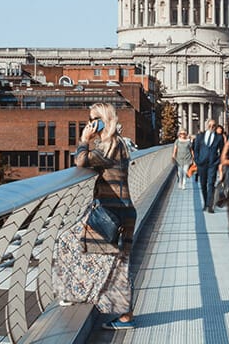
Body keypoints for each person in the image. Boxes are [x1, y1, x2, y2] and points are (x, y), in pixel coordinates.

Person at [57, 103, 136, 330]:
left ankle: (75, 293)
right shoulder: (118, 142)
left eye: (94, 119)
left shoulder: (109, 146)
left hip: (112, 211)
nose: (90, 123)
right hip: (124, 211)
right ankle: (125, 317)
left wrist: (84, 139)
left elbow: (81, 161)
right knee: (119, 263)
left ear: (103, 120)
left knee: (68, 240)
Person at [193, 119, 224, 213]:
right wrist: (197, 160)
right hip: (201, 164)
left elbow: (222, 151)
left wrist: (217, 161)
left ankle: (210, 205)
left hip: (212, 164)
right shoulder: (200, 137)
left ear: (215, 126)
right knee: (203, 184)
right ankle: (206, 202)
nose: (211, 127)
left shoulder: (219, 138)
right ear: (207, 126)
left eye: (213, 126)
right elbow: (196, 149)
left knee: (211, 184)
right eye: (210, 125)